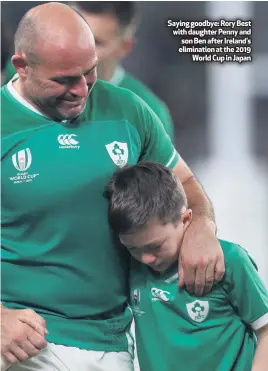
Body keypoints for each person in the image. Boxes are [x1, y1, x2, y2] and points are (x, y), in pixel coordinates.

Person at [1, 2, 224, 370]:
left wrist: (202, 223)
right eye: (63, 79)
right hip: (24, 341)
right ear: (22, 66)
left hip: (112, 342)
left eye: (88, 73)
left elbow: (183, 181)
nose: (80, 90)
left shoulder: (129, 109)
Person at [106, 161, 268, 371]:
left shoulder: (230, 260)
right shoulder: (132, 266)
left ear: (186, 219)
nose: (146, 258)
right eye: (133, 248)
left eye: (155, 246)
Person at [2, 2, 175, 141]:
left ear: (124, 47)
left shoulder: (147, 112)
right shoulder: (14, 77)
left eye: (96, 42)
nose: (77, 49)